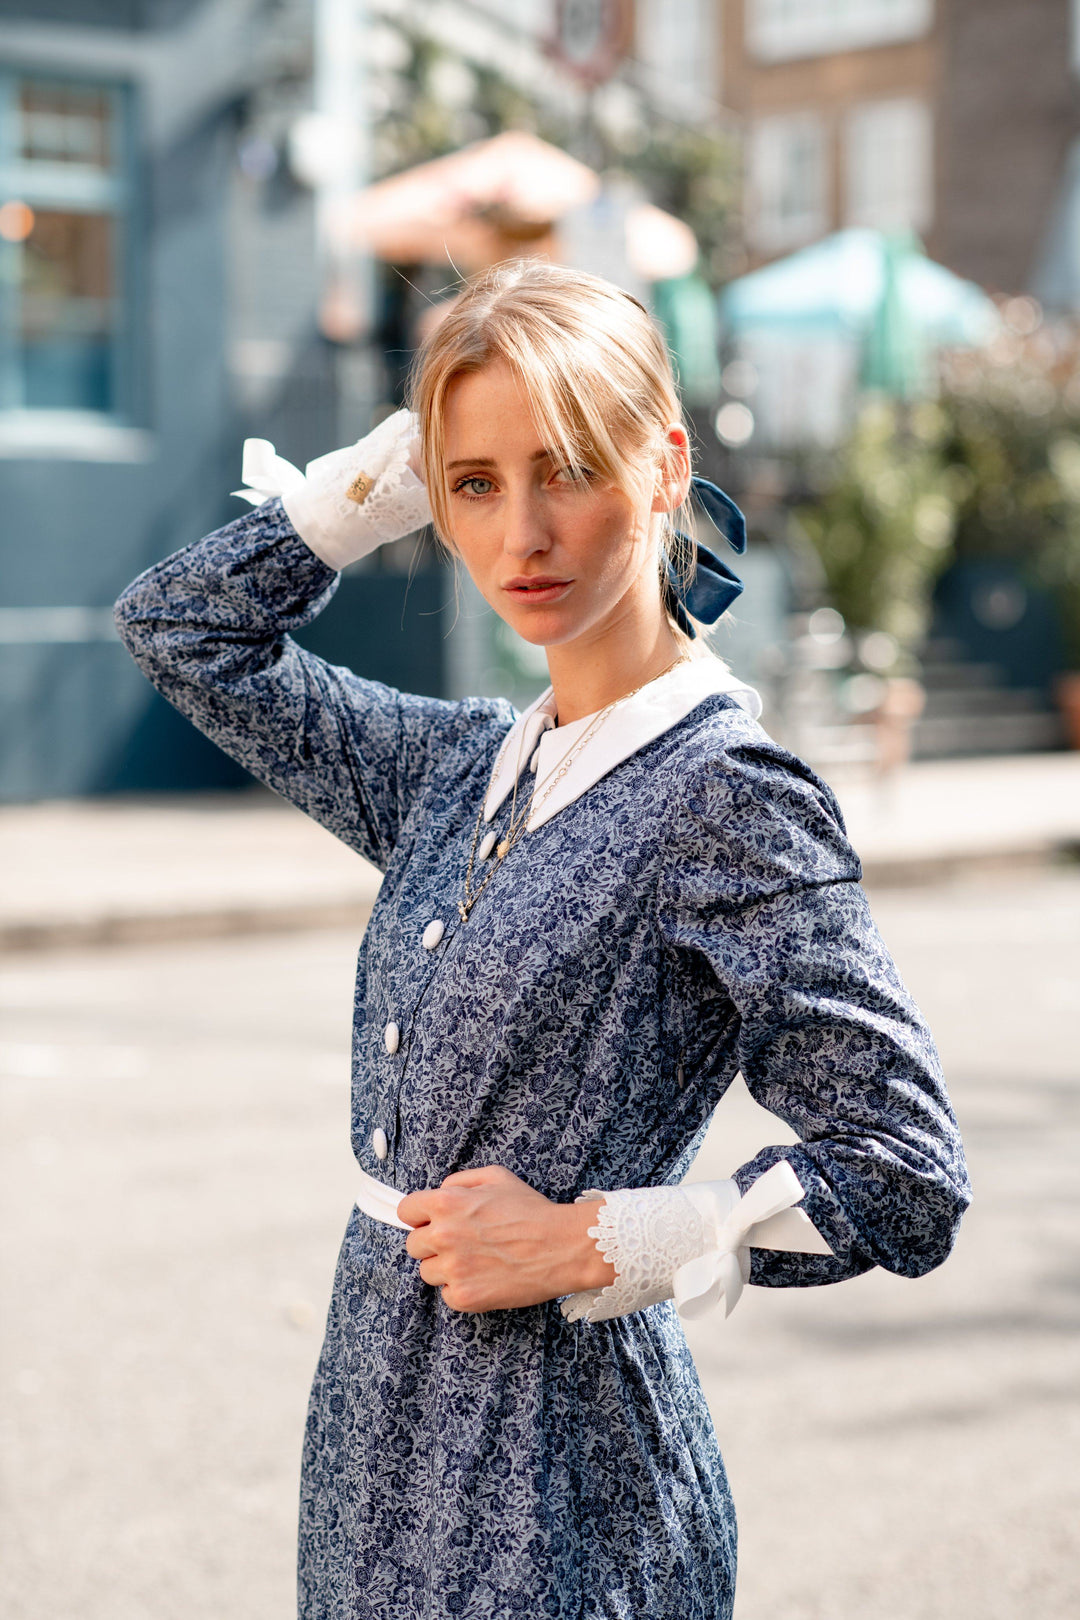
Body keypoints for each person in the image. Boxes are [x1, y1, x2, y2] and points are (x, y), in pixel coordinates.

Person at [113, 259, 971, 1620]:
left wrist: (596, 1241)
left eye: (567, 466)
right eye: (477, 486)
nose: (523, 535)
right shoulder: (460, 768)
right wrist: (395, 465)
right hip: (376, 1418)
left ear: (664, 465)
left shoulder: (729, 795)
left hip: (561, 1467)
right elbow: (183, 627)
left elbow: (907, 1172)